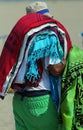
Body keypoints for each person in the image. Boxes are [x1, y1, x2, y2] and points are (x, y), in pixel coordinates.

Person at [0, 1, 72, 130]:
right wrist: (67, 61)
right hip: (41, 101)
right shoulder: (48, 36)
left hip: (19, 102)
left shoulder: (21, 39)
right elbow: (55, 69)